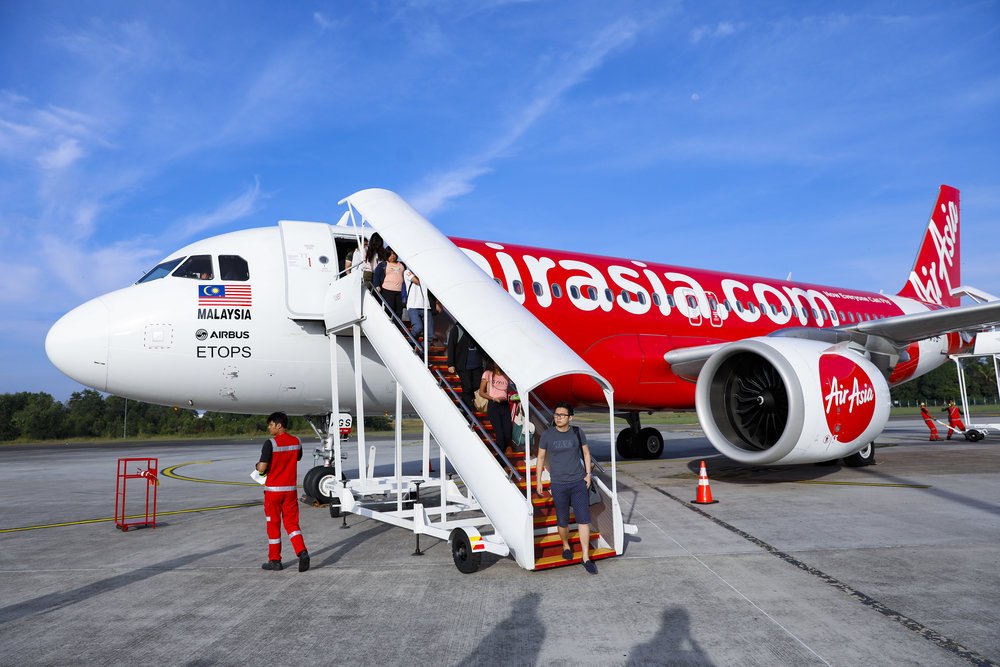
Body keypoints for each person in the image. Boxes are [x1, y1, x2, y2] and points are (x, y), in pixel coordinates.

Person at [535, 402, 596, 574]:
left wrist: (588, 474)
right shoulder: (547, 435)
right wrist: (539, 480)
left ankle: (585, 557)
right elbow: (540, 457)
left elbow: (586, 453)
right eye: (556, 414)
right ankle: (566, 545)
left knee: (583, 519)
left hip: (578, 482)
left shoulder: (577, 432)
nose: (558, 418)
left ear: (570, 417)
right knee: (562, 521)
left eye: (562, 415)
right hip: (559, 484)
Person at [256, 411, 310, 572]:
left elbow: (262, 469)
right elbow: (296, 458)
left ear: (279, 426)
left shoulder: (270, 443)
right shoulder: (297, 442)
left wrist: (257, 467)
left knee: (273, 526)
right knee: (292, 524)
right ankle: (302, 552)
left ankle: (275, 560)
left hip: (273, 492)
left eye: (271, 424)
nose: (269, 427)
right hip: (290, 491)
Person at [478, 359, 514, 453]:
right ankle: (500, 461)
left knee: (507, 433)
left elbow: (507, 391)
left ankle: (502, 457)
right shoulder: (487, 373)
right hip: (493, 405)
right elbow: (481, 392)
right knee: (500, 435)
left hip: (505, 405)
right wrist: (493, 398)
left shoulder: (506, 376)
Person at [446, 322, 483, 412]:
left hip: (477, 364)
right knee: (467, 387)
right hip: (463, 365)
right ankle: (467, 411)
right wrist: (450, 364)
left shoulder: (477, 328)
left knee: (477, 387)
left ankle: (463, 405)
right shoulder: (456, 329)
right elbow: (451, 346)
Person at [404, 267, 434, 346]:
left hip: (426, 306)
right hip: (413, 306)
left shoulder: (426, 273)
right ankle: (410, 344)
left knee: (429, 334)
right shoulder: (407, 271)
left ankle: (421, 353)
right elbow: (416, 281)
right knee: (418, 327)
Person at [373, 247, 406, 320]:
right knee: (389, 310)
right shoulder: (383, 264)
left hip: (400, 292)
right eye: (390, 254)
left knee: (399, 312)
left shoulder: (402, 265)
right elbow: (376, 276)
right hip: (387, 291)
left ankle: (398, 327)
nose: (392, 256)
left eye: (394, 254)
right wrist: (377, 286)